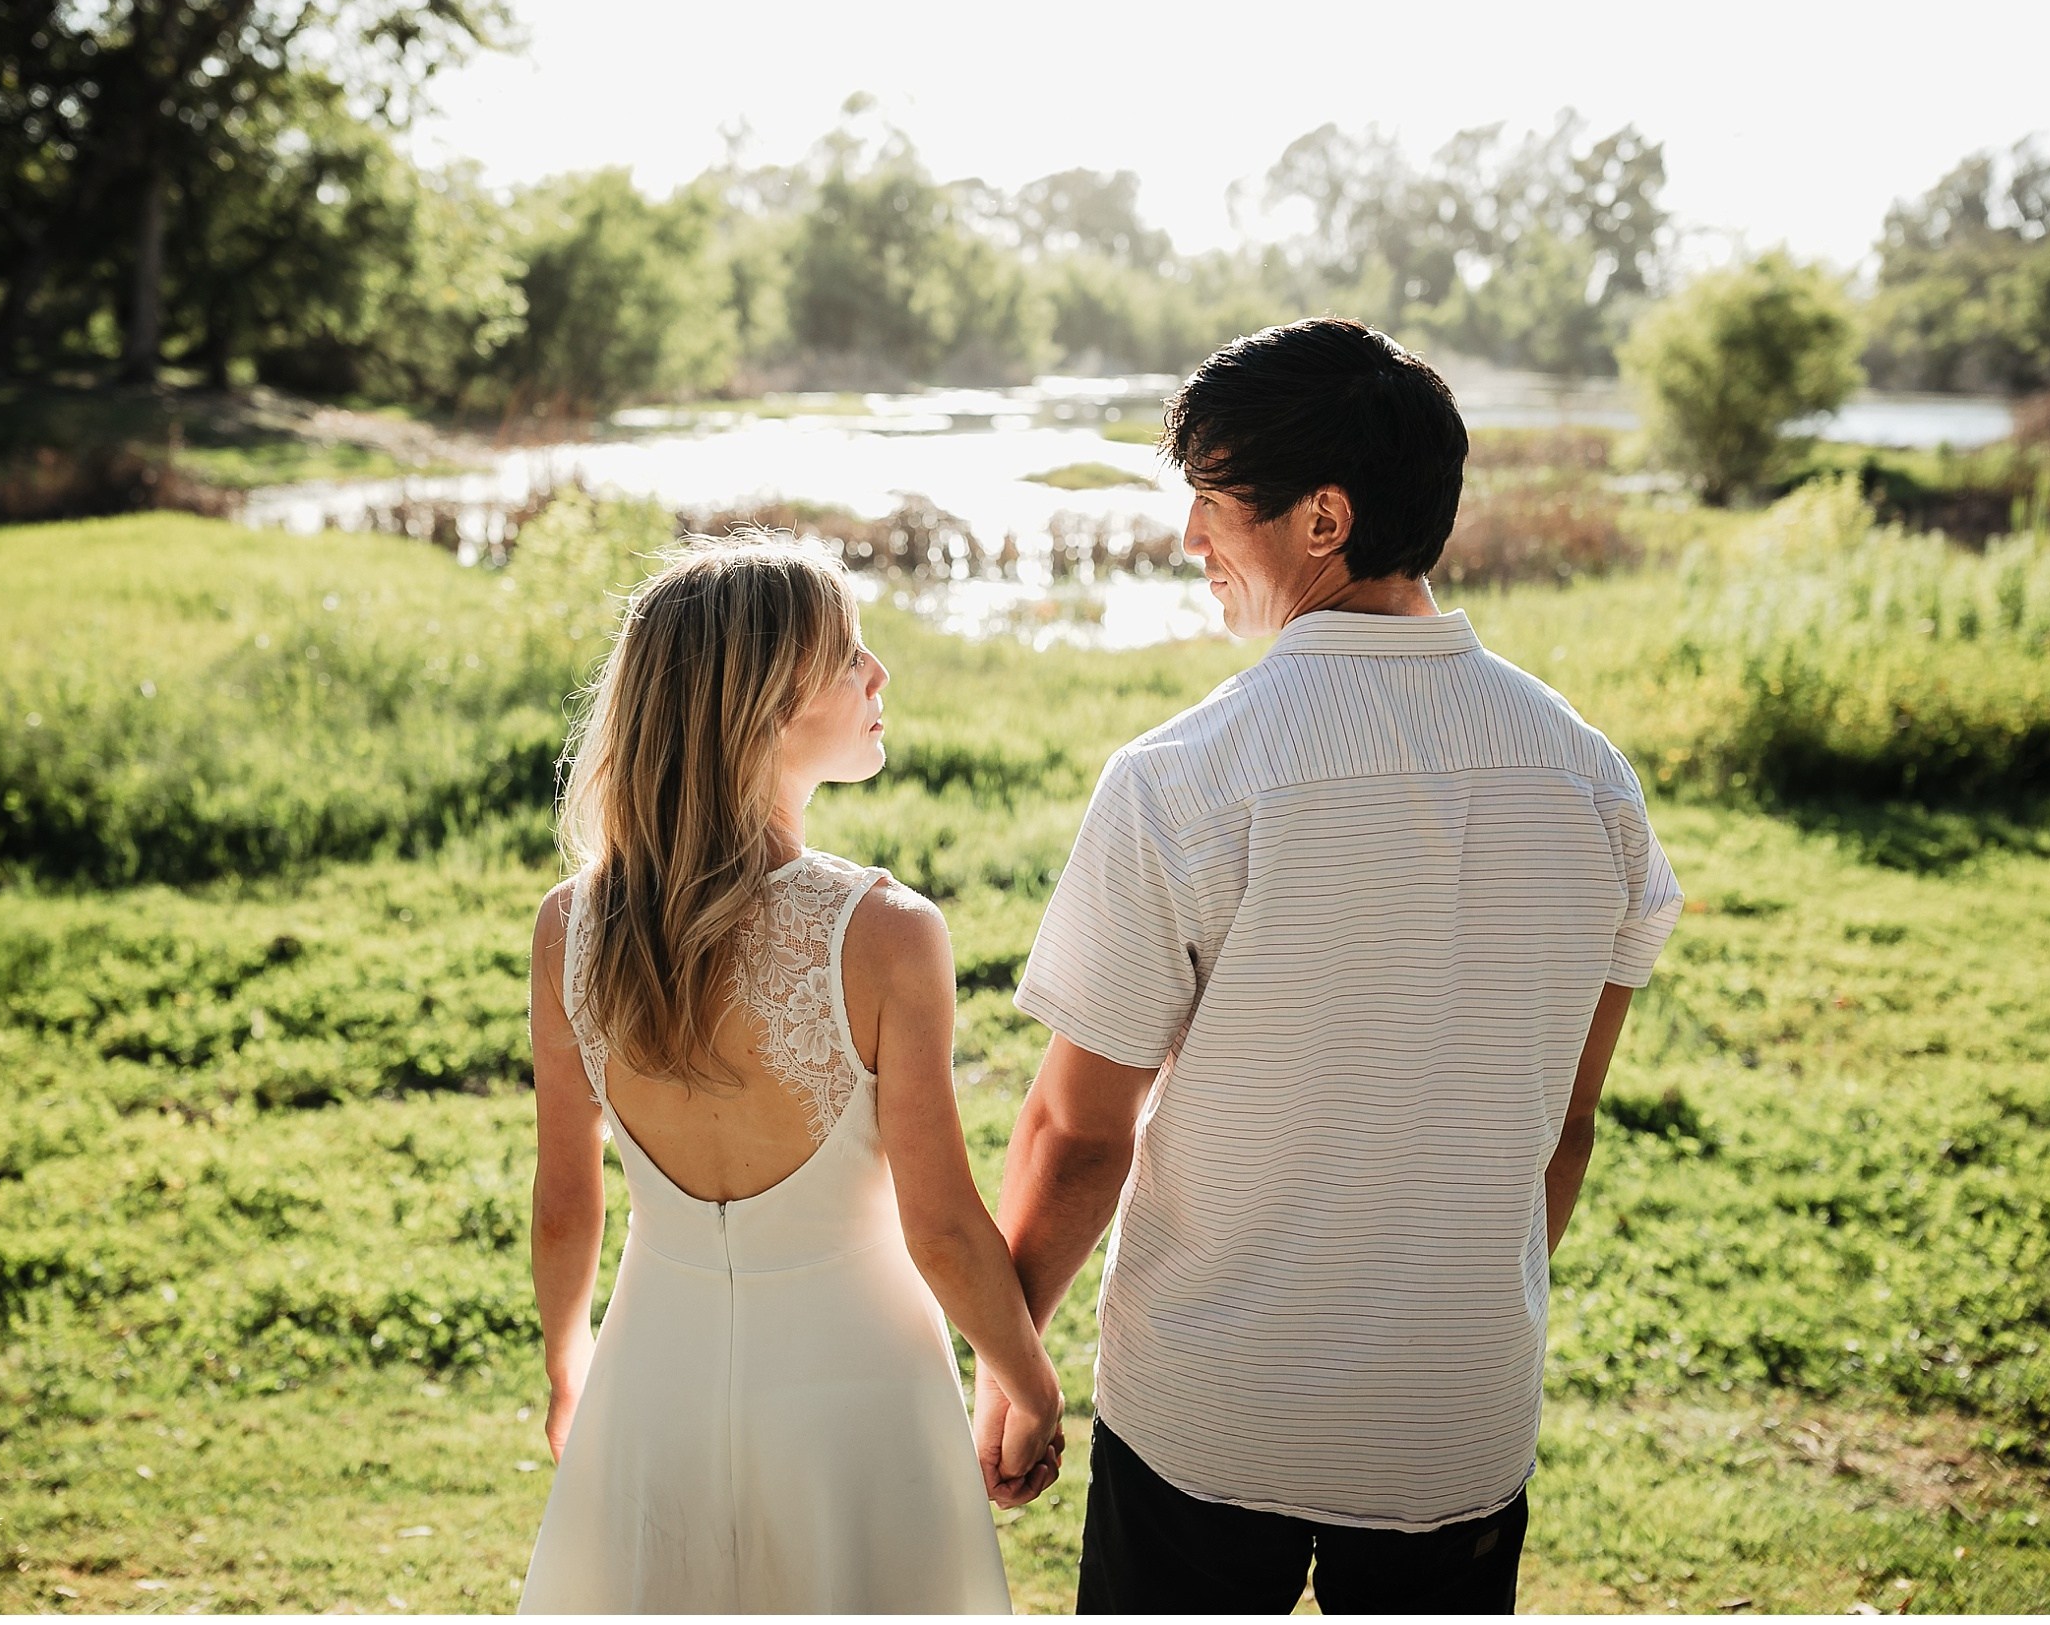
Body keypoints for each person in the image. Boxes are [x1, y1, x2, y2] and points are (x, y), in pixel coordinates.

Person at [971, 319, 1685, 1613]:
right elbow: (1564, 1125)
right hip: (1458, 1421)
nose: (1190, 539)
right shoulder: (1593, 779)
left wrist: (1012, 1365)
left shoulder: (1184, 778)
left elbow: (1079, 1136)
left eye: (1210, 500)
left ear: (1322, 520)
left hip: (1208, 1416)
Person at [518, 533, 1062, 1613]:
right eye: (850, 653)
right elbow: (942, 1225)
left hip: (653, 1373)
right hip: (856, 1390)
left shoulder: (570, 925)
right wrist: (1030, 1385)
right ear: (766, 705)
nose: (880, 675)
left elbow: (564, 1198)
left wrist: (566, 1357)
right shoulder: (887, 932)